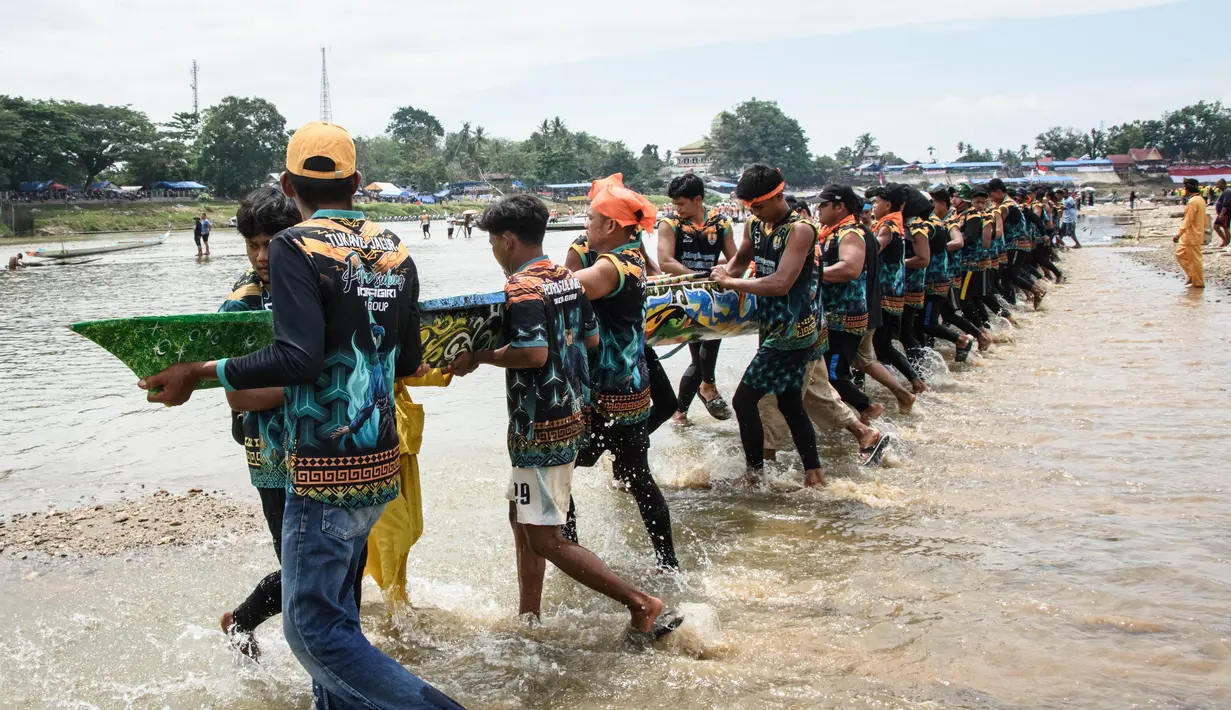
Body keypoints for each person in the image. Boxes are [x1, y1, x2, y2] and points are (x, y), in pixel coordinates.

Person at [138, 122, 462, 710]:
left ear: (290, 187)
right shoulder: (395, 246)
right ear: (357, 182)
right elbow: (409, 357)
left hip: (320, 464)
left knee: (310, 629)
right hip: (379, 458)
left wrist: (200, 371)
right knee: (338, 615)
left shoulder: (296, 245)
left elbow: (297, 357)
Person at [450, 194, 678, 639]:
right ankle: (529, 617)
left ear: (508, 240)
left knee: (544, 537)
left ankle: (641, 603)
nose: (494, 252)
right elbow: (591, 340)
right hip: (573, 414)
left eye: (493, 243)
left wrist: (478, 356)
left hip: (540, 425)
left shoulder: (521, 287)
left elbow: (532, 353)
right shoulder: (565, 278)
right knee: (522, 517)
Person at [566, 173, 679, 571]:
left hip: (602, 392)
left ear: (611, 225)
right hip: (633, 388)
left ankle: (573, 559)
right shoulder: (633, 256)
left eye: (592, 219)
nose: (586, 226)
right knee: (639, 477)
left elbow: (561, 289)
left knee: (554, 468)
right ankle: (669, 564)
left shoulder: (612, 267)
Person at [216, 187, 306, 660]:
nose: (260, 255)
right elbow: (238, 393)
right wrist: (319, 384)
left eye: (270, 242)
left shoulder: (314, 284)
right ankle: (243, 621)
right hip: (270, 451)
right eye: (251, 244)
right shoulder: (242, 304)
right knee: (296, 562)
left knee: (345, 557)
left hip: (324, 445)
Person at [711, 165, 826, 487]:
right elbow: (739, 262)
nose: (755, 213)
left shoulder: (801, 230)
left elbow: (780, 284)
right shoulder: (754, 224)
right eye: (750, 208)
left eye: (759, 206)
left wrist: (732, 282)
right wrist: (720, 276)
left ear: (778, 195)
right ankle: (814, 475)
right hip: (771, 326)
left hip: (794, 331)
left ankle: (754, 475)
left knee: (743, 400)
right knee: (790, 402)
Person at [656, 173, 736, 425]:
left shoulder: (721, 224)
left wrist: (728, 275)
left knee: (703, 352)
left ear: (698, 199)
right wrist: (697, 277)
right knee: (703, 350)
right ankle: (705, 389)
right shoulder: (670, 224)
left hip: (715, 294)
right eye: (675, 204)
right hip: (685, 297)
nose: (676, 209)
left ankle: (681, 413)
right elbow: (665, 261)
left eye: (680, 204)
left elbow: (736, 257)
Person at [866, 185, 926, 394]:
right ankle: (906, 382)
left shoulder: (888, 226)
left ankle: (914, 383)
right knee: (882, 346)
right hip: (891, 292)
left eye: (876, 202)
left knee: (882, 346)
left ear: (888, 205)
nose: (874, 206)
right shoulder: (895, 223)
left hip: (885, 294)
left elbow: (874, 248)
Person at [1175, 177, 1207, 288]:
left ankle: (1198, 282)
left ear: (1187, 188)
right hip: (1193, 234)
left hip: (1192, 235)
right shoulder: (1200, 200)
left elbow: (1188, 220)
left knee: (1195, 259)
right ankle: (1192, 275)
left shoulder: (1193, 202)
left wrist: (1178, 234)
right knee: (1180, 254)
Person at [1213, 179, 1230, 248]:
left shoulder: (1227, 192)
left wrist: (1222, 214)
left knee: (1225, 227)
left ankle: (1226, 241)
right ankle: (1225, 240)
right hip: (1222, 213)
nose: (1217, 186)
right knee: (1216, 226)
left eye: (1218, 184)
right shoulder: (1224, 192)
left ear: (1224, 184)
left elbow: (1226, 204)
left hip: (1225, 213)